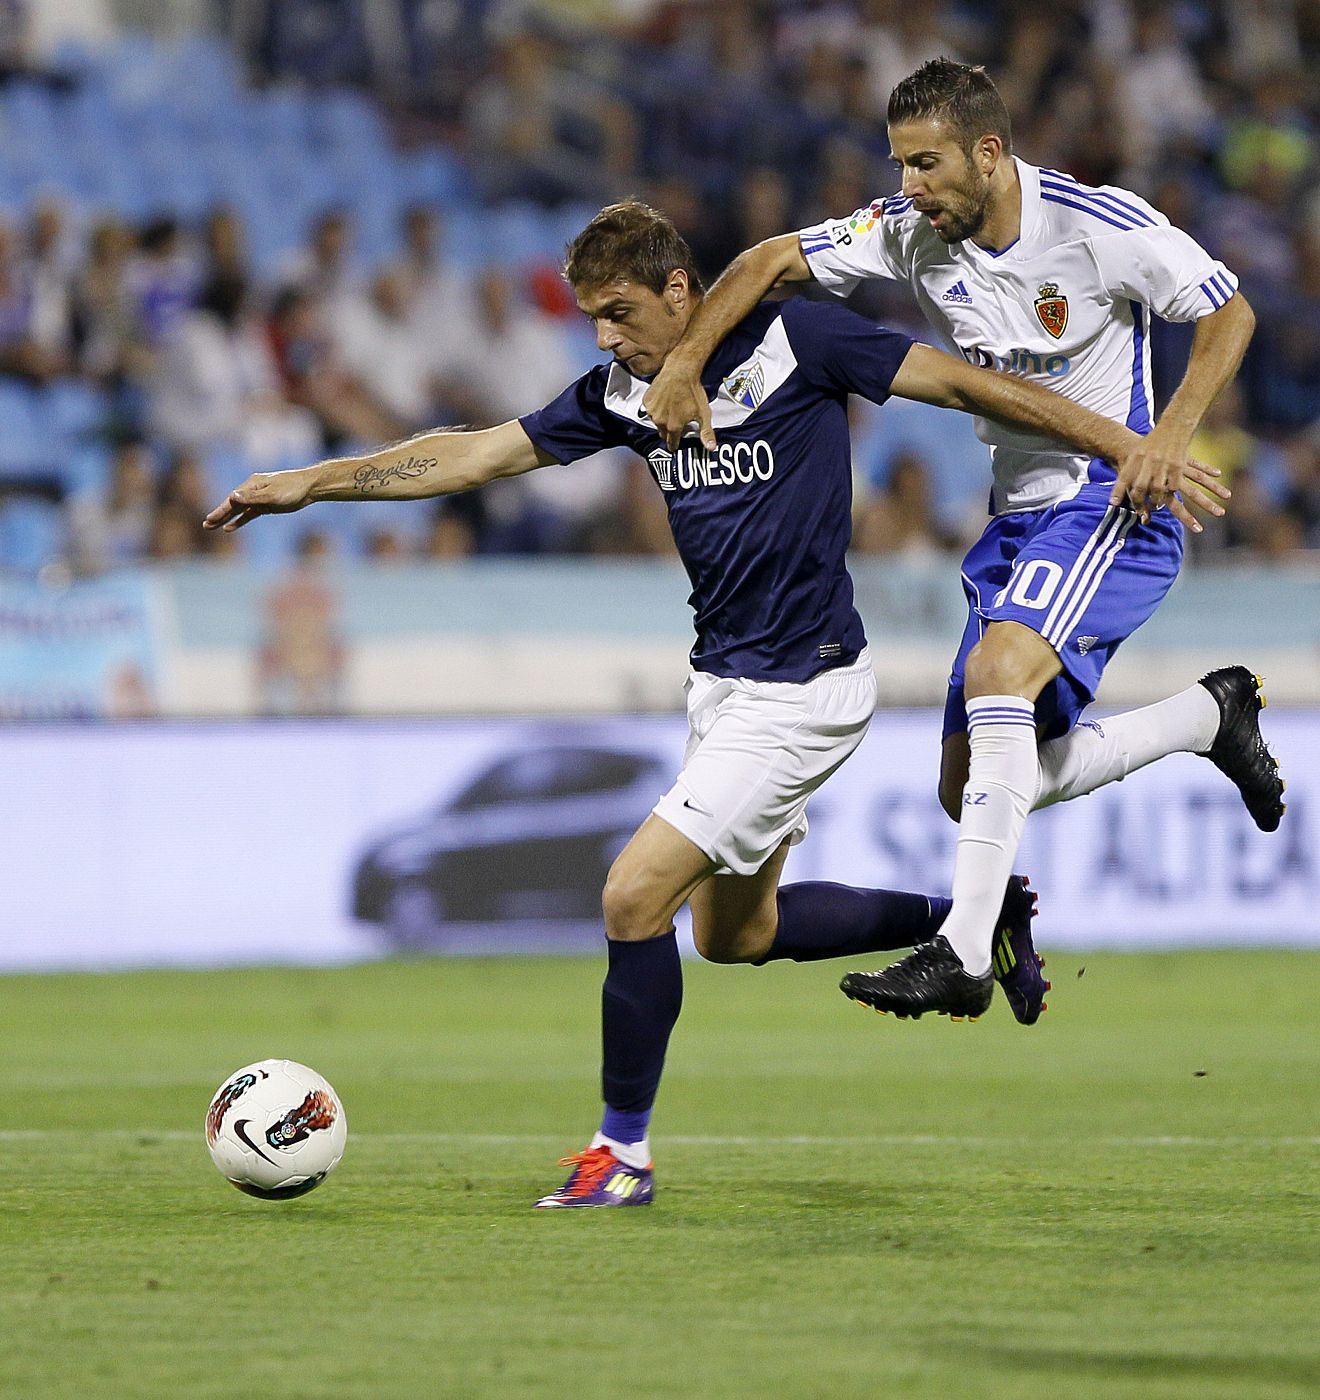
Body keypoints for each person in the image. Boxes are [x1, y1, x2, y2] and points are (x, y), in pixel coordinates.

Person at [204, 201, 1227, 1208]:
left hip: (805, 689)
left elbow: (968, 383)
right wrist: (312, 481)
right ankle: (976, 910)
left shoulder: (800, 340)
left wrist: (1128, 443)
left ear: (679, 290)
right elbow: (471, 452)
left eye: (620, 312)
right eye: (592, 319)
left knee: (630, 896)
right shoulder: (623, 394)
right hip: (723, 688)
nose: (606, 338)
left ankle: (620, 1154)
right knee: (735, 934)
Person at [642, 59, 1285, 1022]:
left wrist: (1170, 437)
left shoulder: (1095, 224)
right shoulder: (910, 232)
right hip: (1016, 520)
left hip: (1110, 500)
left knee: (998, 678)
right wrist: (687, 359)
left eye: (925, 164)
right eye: (899, 164)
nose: (908, 187)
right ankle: (1206, 717)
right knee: (969, 783)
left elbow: (1229, 310)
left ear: (988, 153)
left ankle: (964, 951)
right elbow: (770, 260)